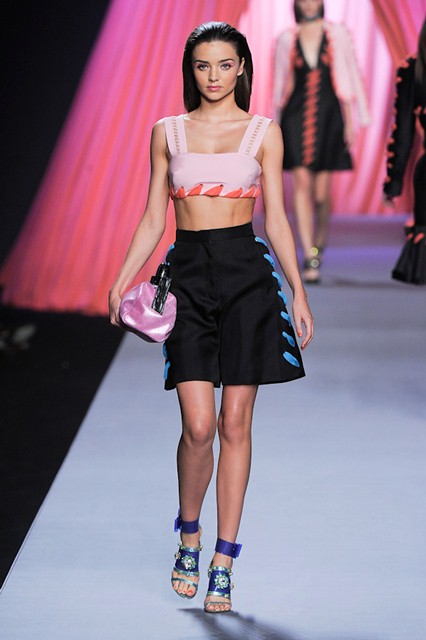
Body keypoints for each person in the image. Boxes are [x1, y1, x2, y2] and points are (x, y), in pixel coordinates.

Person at [109, 21, 314, 614]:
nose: (215, 76)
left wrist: (298, 291)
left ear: (242, 67)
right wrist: (122, 279)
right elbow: (154, 216)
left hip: (248, 278)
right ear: (190, 70)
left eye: (225, 64)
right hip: (189, 277)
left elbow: (276, 219)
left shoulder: (263, 133)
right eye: (203, 65)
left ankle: (223, 561)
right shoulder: (167, 132)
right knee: (198, 426)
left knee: (235, 423)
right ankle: (189, 534)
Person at [273, 0, 370, 283]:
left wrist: (350, 122)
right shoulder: (286, 38)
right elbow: (281, 83)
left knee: (321, 195)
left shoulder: (337, 33)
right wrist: (274, 126)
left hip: (329, 116)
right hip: (295, 117)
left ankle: (319, 240)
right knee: (301, 185)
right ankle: (308, 254)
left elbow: (348, 76)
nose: (309, 4)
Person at [383, 19, 426, 284]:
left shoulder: (412, 69)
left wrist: (393, 183)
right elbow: (403, 132)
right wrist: (393, 181)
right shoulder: (412, 70)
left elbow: (403, 133)